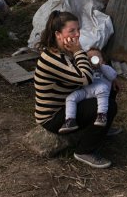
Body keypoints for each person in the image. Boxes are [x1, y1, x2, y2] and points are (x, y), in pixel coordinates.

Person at [34, 10, 118, 168]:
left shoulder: (64, 50)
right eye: (71, 31)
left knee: (108, 82)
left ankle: (101, 127)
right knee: (109, 105)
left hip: (69, 100)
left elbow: (85, 65)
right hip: (54, 116)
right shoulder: (52, 59)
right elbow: (85, 78)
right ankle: (84, 151)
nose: (77, 34)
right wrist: (79, 51)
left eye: (78, 29)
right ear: (58, 34)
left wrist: (108, 74)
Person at [59, 53, 117, 134]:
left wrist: (101, 66)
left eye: (96, 57)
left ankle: (102, 115)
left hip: (99, 90)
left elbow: (113, 76)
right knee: (70, 98)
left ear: (103, 60)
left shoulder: (106, 68)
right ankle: (70, 120)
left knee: (102, 88)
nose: (92, 60)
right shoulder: (87, 70)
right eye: (88, 58)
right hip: (86, 91)